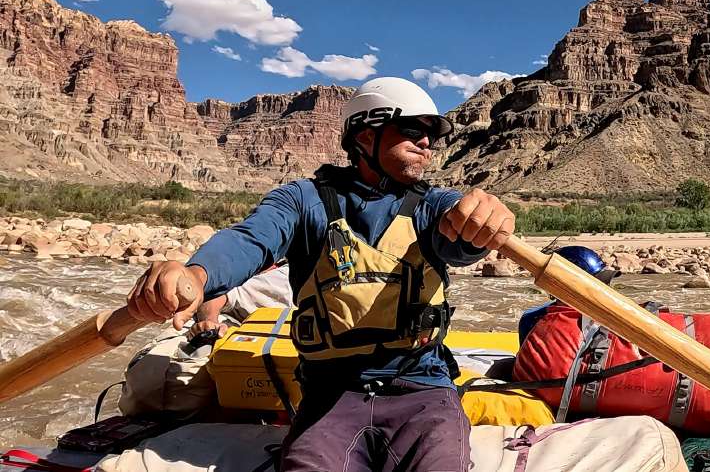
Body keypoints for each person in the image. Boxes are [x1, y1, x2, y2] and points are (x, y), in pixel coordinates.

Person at [124, 77, 517, 472]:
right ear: (365, 136)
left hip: (422, 386)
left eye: (432, 132)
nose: (427, 141)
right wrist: (198, 274)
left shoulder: (435, 206)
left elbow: (461, 239)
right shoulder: (302, 200)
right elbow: (250, 240)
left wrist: (481, 222)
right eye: (414, 128)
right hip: (332, 391)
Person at [517, 245, 619, 342]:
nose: (606, 289)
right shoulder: (536, 321)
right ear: (572, 285)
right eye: (600, 283)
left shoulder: (530, 318)